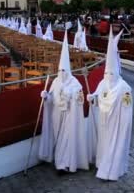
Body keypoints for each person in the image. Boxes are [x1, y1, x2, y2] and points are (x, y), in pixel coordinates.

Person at [38, 30, 89, 172]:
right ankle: (59, 159)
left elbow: (79, 99)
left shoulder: (75, 83)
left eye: (64, 71)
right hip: (56, 114)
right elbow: (51, 98)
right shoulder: (55, 81)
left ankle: (64, 164)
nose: (62, 74)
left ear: (68, 71)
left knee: (66, 139)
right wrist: (46, 96)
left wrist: (69, 96)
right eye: (60, 71)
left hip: (68, 115)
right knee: (57, 137)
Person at [87, 28, 133, 181]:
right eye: (106, 73)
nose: (108, 76)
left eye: (111, 74)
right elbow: (97, 93)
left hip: (116, 122)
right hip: (104, 120)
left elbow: (127, 107)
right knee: (103, 142)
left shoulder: (124, 87)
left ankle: (113, 167)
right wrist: (91, 96)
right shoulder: (103, 82)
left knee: (114, 143)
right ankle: (102, 163)